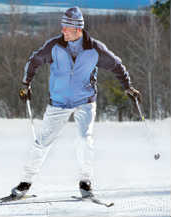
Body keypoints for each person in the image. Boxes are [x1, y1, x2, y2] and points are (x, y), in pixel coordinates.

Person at [11, 6, 141, 199]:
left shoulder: (95, 49)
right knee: (42, 142)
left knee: (84, 139)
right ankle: (25, 182)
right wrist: (25, 83)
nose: (62, 30)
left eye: (67, 28)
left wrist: (128, 86)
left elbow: (117, 65)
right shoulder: (54, 46)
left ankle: (85, 182)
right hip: (58, 102)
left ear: (78, 30)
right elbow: (34, 60)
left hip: (85, 101)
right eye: (62, 26)